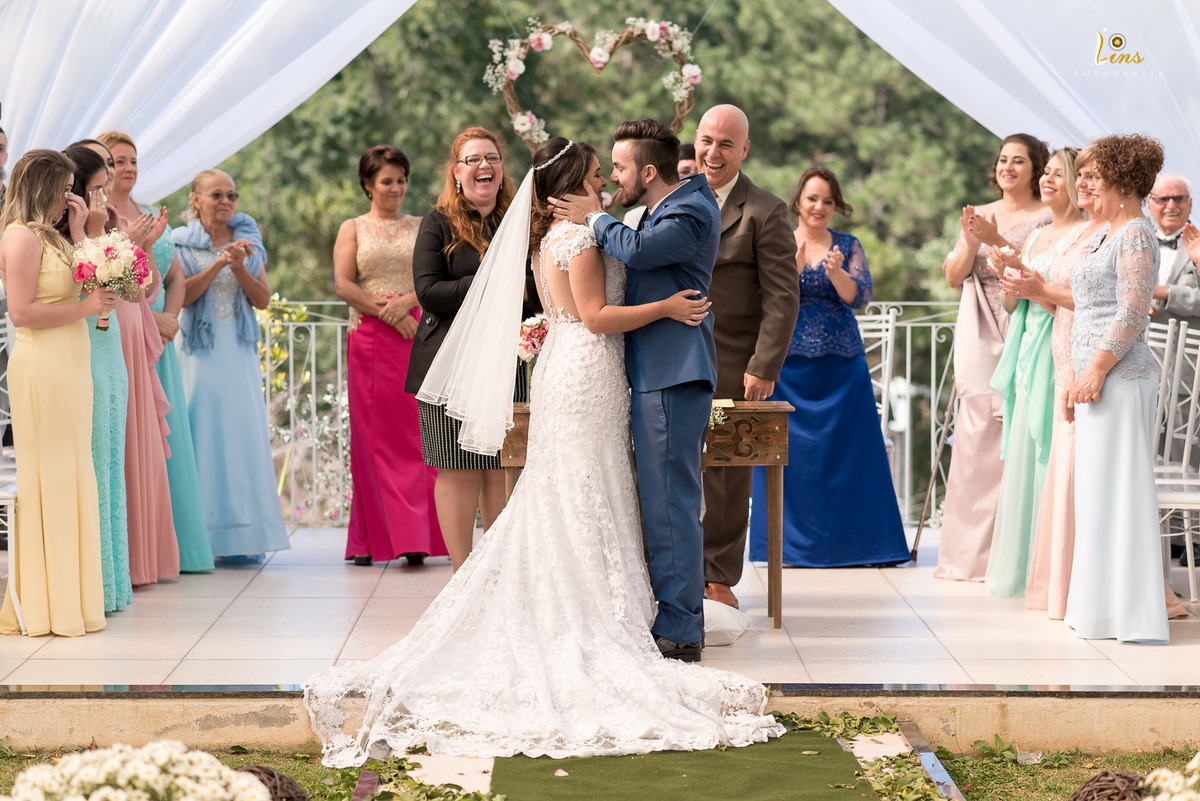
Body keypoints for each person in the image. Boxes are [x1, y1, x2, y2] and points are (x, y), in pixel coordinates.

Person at [305, 136, 778, 766]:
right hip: (587, 369)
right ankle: (583, 615)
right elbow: (596, 316)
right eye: (596, 175)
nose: (605, 184)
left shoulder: (553, 236)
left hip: (576, 369)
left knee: (578, 489)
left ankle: (590, 605)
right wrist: (666, 305)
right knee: (582, 488)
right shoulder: (577, 237)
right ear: (571, 185)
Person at [551, 119, 719, 662]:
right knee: (661, 501)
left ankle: (681, 629)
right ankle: (673, 615)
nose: (613, 178)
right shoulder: (655, 209)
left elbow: (641, 252)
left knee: (670, 503)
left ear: (648, 172)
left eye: (620, 168)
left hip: (672, 372)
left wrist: (593, 217)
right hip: (652, 373)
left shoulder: (690, 209)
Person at [748, 166, 908, 568]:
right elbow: (762, 296)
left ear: (836, 206)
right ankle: (783, 546)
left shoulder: (848, 245)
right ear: (797, 201)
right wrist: (793, 269)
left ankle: (860, 547)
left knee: (852, 457)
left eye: (828, 200)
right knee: (789, 459)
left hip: (841, 366)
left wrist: (836, 273)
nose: (819, 206)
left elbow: (860, 298)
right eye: (812, 198)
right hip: (785, 367)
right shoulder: (779, 241)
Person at [404, 127, 537, 571]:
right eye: (473, 159)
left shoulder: (522, 220)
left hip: (507, 364)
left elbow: (536, 289)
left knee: (501, 467)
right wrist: (490, 282)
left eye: (492, 158)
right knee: (457, 467)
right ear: (457, 173)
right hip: (448, 366)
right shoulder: (437, 223)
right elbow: (428, 292)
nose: (485, 165)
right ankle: (462, 574)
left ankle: (496, 571)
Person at [0, 149, 118, 636]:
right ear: (41, 187)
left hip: (72, 364)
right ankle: (44, 603)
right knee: (49, 475)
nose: (71, 198)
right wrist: (87, 308)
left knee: (73, 471)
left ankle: (73, 598)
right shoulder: (20, 236)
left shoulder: (56, 236)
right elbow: (22, 312)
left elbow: (94, 279)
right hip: (42, 366)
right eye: (64, 189)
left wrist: (80, 231)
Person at [1064, 133, 1169, 643]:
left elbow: (1132, 311)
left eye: (1093, 174)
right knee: (1097, 493)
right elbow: (1089, 309)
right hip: (1096, 378)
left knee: (1121, 491)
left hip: (1120, 378)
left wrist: (1097, 369)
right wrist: (1077, 373)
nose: (1083, 182)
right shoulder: (1108, 234)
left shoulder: (1135, 235)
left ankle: (1132, 614)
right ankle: (1099, 610)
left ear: (1121, 179)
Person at [693, 105, 798, 607]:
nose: (714, 152)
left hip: (734, 364)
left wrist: (763, 366)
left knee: (726, 473)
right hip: (670, 357)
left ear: (745, 150)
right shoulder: (674, 198)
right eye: (707, 140)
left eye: (726, 144)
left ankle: (717, 578)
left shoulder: (765, 210)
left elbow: (782, 296)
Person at [935, 133, 1050, 581]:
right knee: (977, 431)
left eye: (1019, 160)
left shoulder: (1048, 215)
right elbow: (952, 276)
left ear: (1036, 169)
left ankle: (1018, 553)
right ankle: (969, 556)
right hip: (981, 324)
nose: (1008, 167)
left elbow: (1041, 270)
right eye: (1003, 159)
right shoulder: (979, 212)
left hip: (1027, 322)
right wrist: (970, 241)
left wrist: (995, 239)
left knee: (1022, 429)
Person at [99, 130, 213, 574]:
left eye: (132, 160)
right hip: (128, 332)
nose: (127, 168)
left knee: (168, 438)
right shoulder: (99, 216)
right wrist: (151, 318)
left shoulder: (149, 211)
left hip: (160, 335)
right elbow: (111, 276)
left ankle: (179, 546)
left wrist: (170, 318)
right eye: (118, 161)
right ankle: (138, 546)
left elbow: (175, 276)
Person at [334, 145, 444, 566]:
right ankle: (371, 540)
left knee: (418, 436)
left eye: (401, 180)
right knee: (374, 440)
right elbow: (344, 285)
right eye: (387, 181)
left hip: (417, 332)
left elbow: (438, 275)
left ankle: (417, 537)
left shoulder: (422, 225)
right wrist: (388, 314)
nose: (396, 188)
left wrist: (409, 303)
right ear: (368, 184)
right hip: (370, 339)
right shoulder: (353, 228)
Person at [173, 170, 290, 561]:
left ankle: (241, 538)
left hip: (237, 352)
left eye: (231, 195)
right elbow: (182, 297)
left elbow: (263, 299)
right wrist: (217, 265)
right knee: (200, 434)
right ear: (195, 200)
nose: (225, 202)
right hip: (197, 352)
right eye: (216, 195)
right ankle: (197, 539)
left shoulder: (248, 241)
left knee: (238, 436)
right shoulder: (179, 242)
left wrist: (239, 266)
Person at [984, 148, 1085, 597]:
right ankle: (1024, 567)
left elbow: (1071, 304)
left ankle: (1053, 568)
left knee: (1048, 449)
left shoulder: (1084, 235)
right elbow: (1011, 304)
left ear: (1077, 184)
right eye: (1045, 173)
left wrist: (1030, 285)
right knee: (1026, 450)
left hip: (1057, 347)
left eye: (1057, 174)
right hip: (1026, 348)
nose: (1047, 180)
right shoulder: (1037, 235)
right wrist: (1009, 274)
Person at [58, 144, 134, 611]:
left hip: (110, 350)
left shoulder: (108, 230)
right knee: (88, 462)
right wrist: (85, 232)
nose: (105, 197)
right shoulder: (61, 237)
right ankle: (86, 583)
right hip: (78, 349)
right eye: (98, 189)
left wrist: (117, 239)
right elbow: (73, 289)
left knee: (108, 462)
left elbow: (134, 293)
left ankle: (110, 581)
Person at [1148, 174, 1196, 327]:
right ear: (1149, 205)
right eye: (1163, 199)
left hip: (1188, 340)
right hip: (1141, 338)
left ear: (1190, 204)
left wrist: (1168, 292)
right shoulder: (1135, 244)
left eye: (1178, 198)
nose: (1171, 206)